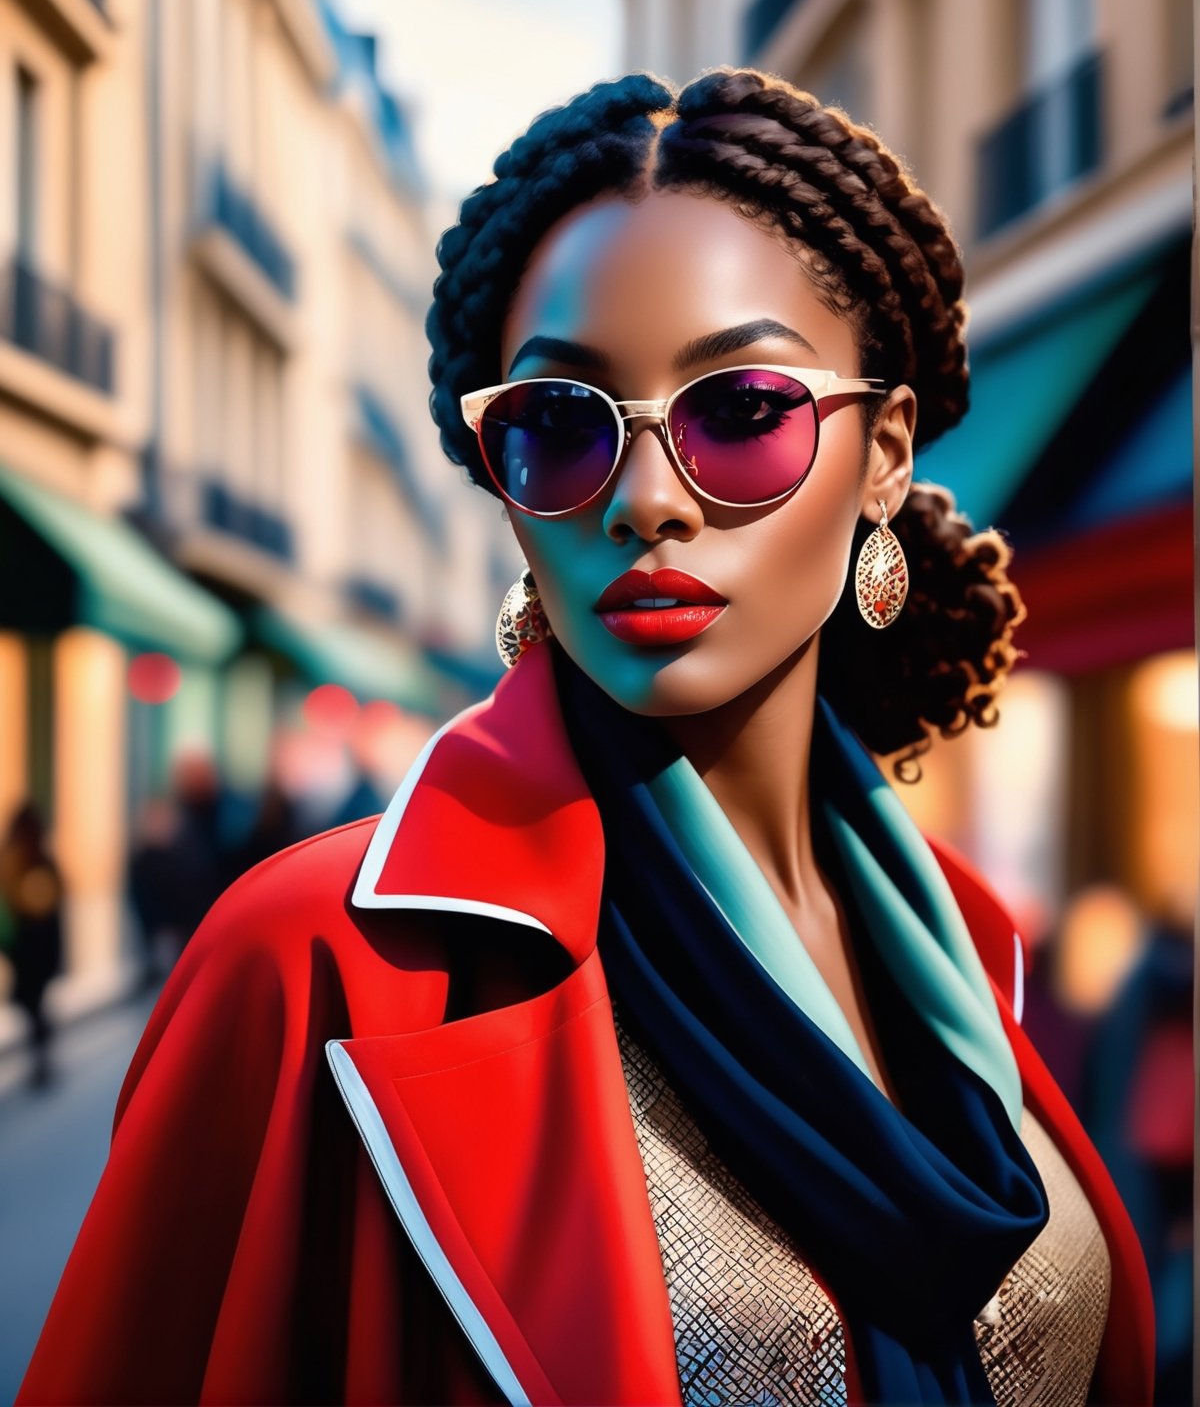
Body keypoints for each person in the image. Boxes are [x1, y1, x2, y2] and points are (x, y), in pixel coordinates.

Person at [19, 70, 1152, 1406]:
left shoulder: (970, 942)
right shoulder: (310, 963)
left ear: (886, 456)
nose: (647, 502)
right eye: (561, 428)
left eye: (742, 412)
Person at [0, 802, 63, 1089]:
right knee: (34, 1005)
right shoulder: (32, 860)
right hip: (33, 948)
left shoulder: (22, 860)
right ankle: (41, 1055)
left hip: (28, 948)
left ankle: (41, 1057)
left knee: (33, 1005)